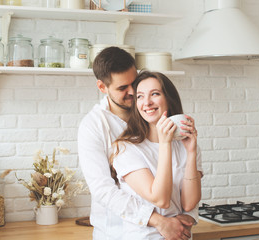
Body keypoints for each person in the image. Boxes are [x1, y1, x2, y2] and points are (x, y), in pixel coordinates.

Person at [78, 47, 199, 240]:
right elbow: (103, 190)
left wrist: (188, 216)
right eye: (122, 88)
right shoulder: (94, 127)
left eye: (134, 84)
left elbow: (183, 186)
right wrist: (159, 220)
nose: (133, 92)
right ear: (102, 87)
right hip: (117, 231)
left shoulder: (164, 128)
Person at [110, 71, 203, 239]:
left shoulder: (184, 145)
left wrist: (191, 152)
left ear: (168, 98)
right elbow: (160, 200)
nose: (147, 102)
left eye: (155, 94)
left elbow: (189, 203)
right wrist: (165, 144)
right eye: (140, 96)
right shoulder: (126, 148)